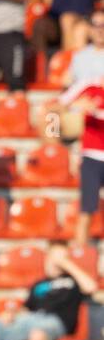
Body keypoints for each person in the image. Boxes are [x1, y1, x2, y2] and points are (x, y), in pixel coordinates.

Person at [53, 71, 104, 246]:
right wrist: (76, 106)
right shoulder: (89, 86)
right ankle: (80, 253)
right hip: (91, 157)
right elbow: (53, 109)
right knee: (86, 210)